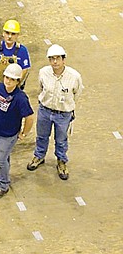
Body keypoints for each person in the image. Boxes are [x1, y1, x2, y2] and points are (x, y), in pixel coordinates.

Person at [27, 44, 83, 181]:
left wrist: (67, 106)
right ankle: (39, 156)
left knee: (61, 140)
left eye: (57, 58)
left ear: (64, 59)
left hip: (63, 114)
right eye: (51, 59)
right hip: (45, 110)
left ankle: (61, 161)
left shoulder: (74, 76)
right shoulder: (43, 72)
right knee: (41, 136)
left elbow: (77, 93)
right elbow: (41, 88)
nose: (55, 62)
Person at [0, 63, 34, 199]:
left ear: (18, 81)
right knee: (4, 157)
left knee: (0, 158)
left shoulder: (20, 98)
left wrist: (24, 133)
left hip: (9, 134)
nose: (8, 81)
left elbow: (29, 117)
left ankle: (3, 184)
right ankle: (0, 175)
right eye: (7, 78)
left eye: (12, 79)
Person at [0, 19, 32, 144]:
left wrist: (15, 84)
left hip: (13, 88)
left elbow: (25, 69)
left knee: (14, 110)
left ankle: (14, 131)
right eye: (7, 33)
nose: (10, 36)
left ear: (17, 35)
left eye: (13, 34)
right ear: (3, 33)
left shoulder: (22, 50)